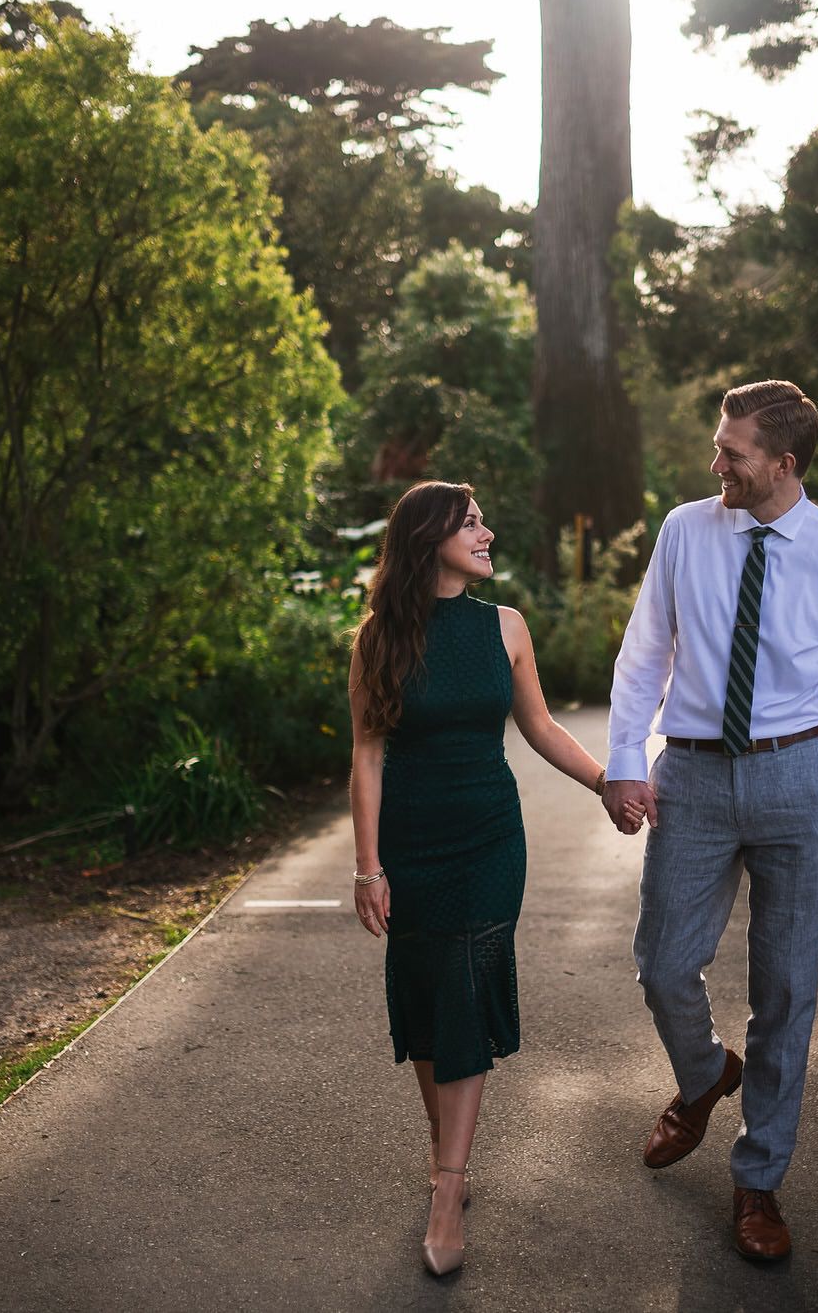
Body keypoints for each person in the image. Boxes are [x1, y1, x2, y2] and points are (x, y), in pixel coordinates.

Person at [602, 379, 818, 1262]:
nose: (716, 461)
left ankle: (758, 1180)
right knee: (662, 964)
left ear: (784, 462)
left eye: (732, 451)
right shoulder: (686, 529)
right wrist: (624, 761)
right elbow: (644, 649)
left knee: (785, 992)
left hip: (796, 781)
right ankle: (703, 1076)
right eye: (718, 445)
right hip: (690, 775)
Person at [347, 480, 617, 1277]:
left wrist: (608, 783)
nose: (487, 532)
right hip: (413, 838)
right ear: (430, 538)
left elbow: (538, 726)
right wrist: (368, 867)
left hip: (491, 837)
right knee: (430, 991)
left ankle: (447, 1186)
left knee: (467, 982)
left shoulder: (507, 627)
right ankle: (445, 1151)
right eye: (471, 524)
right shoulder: (379, 638)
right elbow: (365, 759)